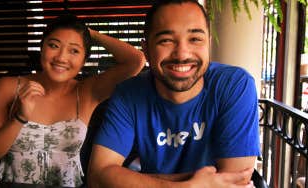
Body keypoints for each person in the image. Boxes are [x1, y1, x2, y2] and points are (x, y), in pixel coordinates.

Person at [88, 0, 260, 187]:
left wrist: (132, 180)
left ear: (208, 43)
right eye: (166, 41)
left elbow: (236, 180)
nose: (182, 54)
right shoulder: (128, 93)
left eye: (195, 39)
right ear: (146, 49)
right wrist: (188, 186)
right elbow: (98, 176)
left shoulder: (234, 85)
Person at [0, 14, 145, 187]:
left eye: (74, 50)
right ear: (42, 47)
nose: (61, 57)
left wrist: (90, 33)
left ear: (84, 60)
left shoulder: (86, 92)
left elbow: (135, 61)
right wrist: (19, 119)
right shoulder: (8, 87)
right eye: (54, 45)